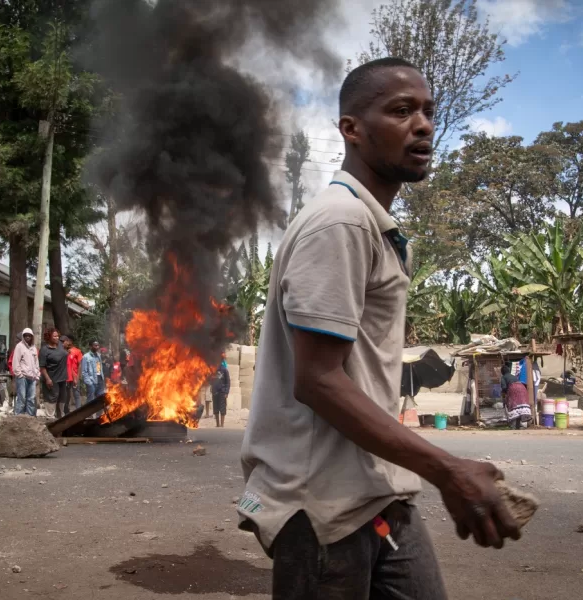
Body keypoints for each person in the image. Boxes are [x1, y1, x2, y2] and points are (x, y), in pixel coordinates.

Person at [238, 58, 518, 600]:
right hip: (321, 505)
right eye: (401, 110)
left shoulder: (370, 224)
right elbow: (316, 379)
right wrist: (447, 469)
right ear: (352, 129)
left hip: (377, 491)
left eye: (429, 112)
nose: (424, 125)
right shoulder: (340, 222)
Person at [39, 328, 69, 418]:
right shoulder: (45, 350)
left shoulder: (60, 345)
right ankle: (50, 417)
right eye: (54, 336)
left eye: (57, 336)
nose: (57, 338)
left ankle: (61, 417)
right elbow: (42, 367)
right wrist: (47, 379)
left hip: (62, 378)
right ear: (49, 337)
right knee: (52, 397)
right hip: (52, 378)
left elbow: (67, 345)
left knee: (63, 397)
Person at [11, 328, 40, 416]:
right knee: (22, 398)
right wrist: (19, 374)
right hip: (22, 377)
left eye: (29, 336)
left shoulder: (34, 348)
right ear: (23, 336)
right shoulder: (19, 346)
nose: (27, 337)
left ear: (32, 337)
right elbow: (16, 361)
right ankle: (18, 417)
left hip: (32, 377)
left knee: (31, 398)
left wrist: (37, 375)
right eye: (25, 335)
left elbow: (36, 362)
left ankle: (30, 417)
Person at [501, 362, 531, 430]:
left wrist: (504, 397)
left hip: (513, 389)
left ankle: (513, 426)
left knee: (513, 406)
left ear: (502, 372)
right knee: (521, 405)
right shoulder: (513, 376)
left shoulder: (503, 377)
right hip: (522, 388)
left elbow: (504, 388)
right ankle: (522, 425)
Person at [62, 335, 83, 411]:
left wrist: (78, 377)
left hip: (74, 376)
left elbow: (80, 364)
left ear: (71, 341)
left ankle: (79, 410)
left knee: (76, 394)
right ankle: (66, 410)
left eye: (68, 340)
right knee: (66, 394)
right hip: (65, 376)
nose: (67, 342)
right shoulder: (63, 351)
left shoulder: (77, 351)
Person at [212, 354, 230, 427]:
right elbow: (210, 380)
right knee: (215, 408)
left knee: (222, 408)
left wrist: (226, 392)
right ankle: (217, 424)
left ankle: (222, 424)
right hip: (215, 391)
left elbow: (228, 382)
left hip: (222, 391)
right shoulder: (212, 370)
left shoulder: (225, 370)